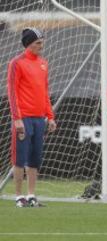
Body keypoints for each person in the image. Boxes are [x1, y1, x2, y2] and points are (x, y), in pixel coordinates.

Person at [7, 27, 57, 207]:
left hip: (39, 119)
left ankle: (31, 195)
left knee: (35, 159)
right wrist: (17, 118)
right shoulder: (16, 63)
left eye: (41, 42)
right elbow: (11, 92)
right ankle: (18, 197)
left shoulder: (43, 63)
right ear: (28, 44)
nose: (41, 45)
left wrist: (50, 116)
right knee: (19, 159)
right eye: (38, 42)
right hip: (23, 118)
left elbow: (45, 92)